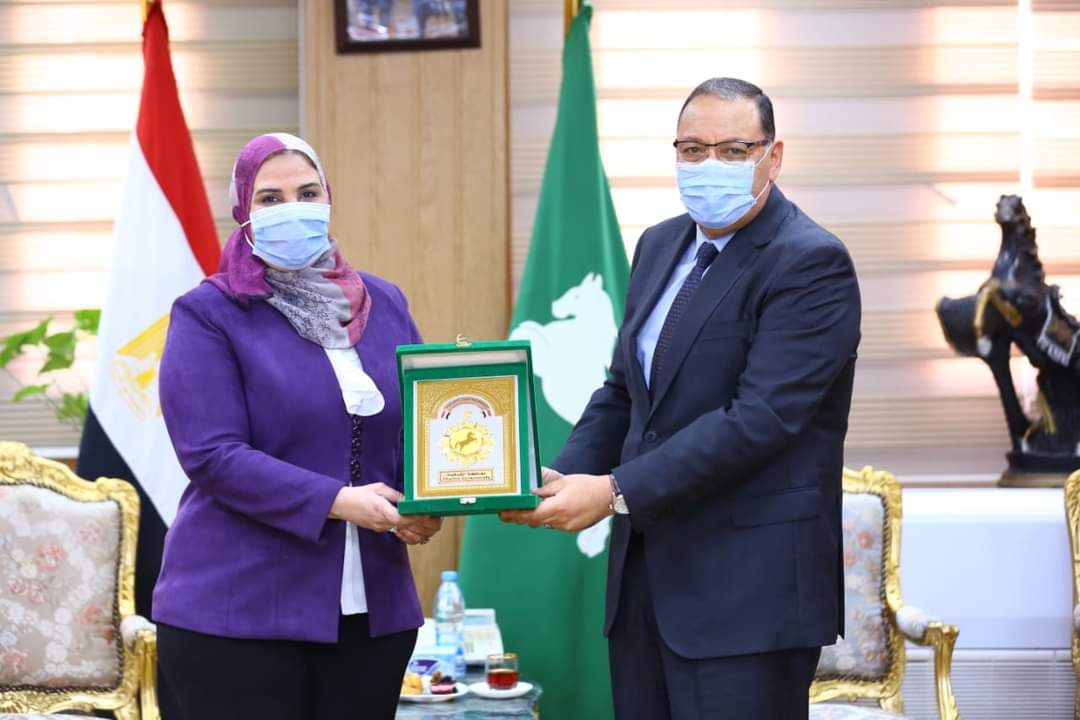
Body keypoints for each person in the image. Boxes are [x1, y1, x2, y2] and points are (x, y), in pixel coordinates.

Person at [502, 78, 861, 719]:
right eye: (693, 150)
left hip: (748, 598)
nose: (709, 165)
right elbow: (624, 391)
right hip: (645, 585)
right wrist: (560, 474)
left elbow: (760, 419)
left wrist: (613, 489)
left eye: (733, 150)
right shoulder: (660, 245)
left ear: (773, 157)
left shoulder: (810, 262)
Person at [152, 132, 442, 720]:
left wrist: (430, 498)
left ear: (328, 198)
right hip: (237, 612)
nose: (293, 209)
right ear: (244, 212)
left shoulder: (385, 302)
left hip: (373, 613)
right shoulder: (209, 313)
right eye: (271, 198)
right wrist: (339, 501)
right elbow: (212, 454)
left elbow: (416, 427)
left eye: (307, 193)